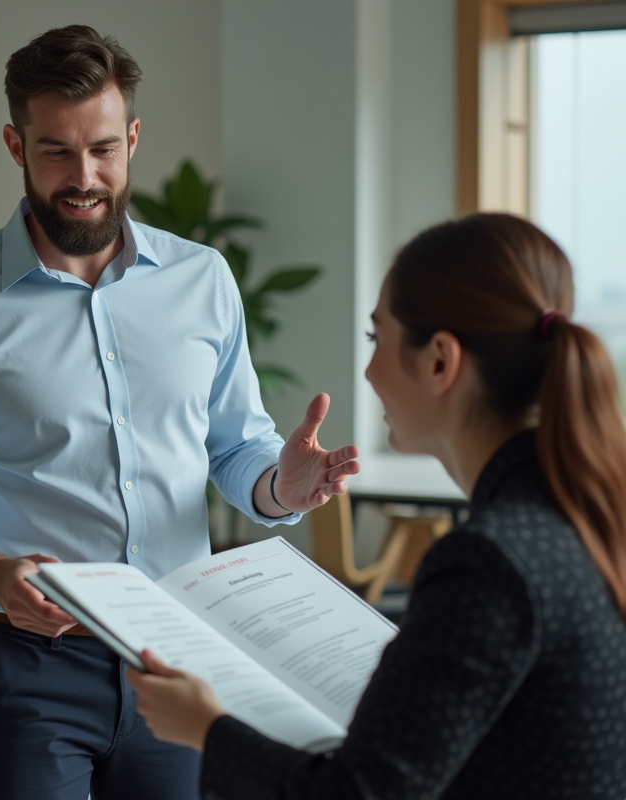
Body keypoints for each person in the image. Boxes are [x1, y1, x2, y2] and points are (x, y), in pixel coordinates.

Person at [0, 24, 360, 800]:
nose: (83, 175)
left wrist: (279, 487)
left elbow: (235, 450)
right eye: (56, 150)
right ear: (14, 145)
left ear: (131, 139)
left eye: (101, 148)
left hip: (180, 662)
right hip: (28, 671)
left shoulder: (203, 281)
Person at [126, 212, 626, 799]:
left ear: (441, 360)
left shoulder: (490, 562)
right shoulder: (584, 513)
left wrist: (207, 727)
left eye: (377, 338)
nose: (368, 370)